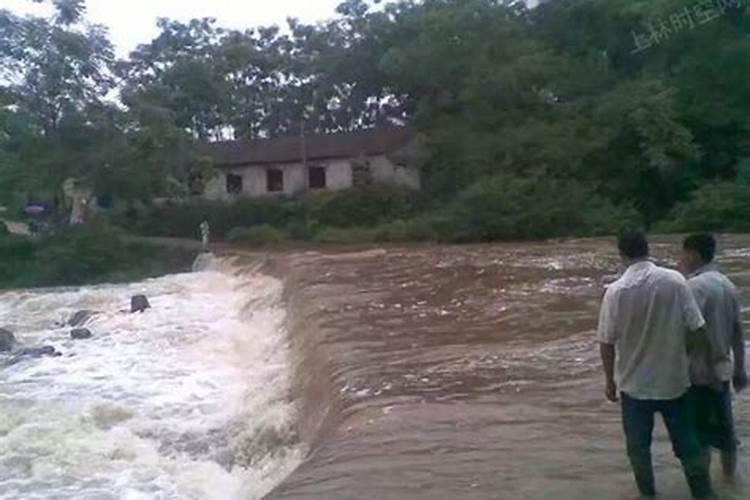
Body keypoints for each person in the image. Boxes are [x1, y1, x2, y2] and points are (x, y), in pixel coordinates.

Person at [598, 230, 713, 499]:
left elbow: (606, 341)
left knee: (638, 450)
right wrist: (689, 358)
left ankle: (648, 495)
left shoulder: (615, 292)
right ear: (647, 249)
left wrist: (609, 381)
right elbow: (697, 328)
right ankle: (703, 494)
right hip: (674, 382)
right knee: (689, 447)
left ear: (622, 255)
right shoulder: (674, 280)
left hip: (634, 386)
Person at [680, 233, 747, 478]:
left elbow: (691, 331)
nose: (681, 259)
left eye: (683, 254)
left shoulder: (693, 287)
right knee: (726, 433)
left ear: (694, 255)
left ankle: (705, 488)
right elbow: (738, 331)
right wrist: (740, 368)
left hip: (699, 372)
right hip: (722, 369)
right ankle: (729, 482)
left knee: (700, 436)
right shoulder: (726, 283)